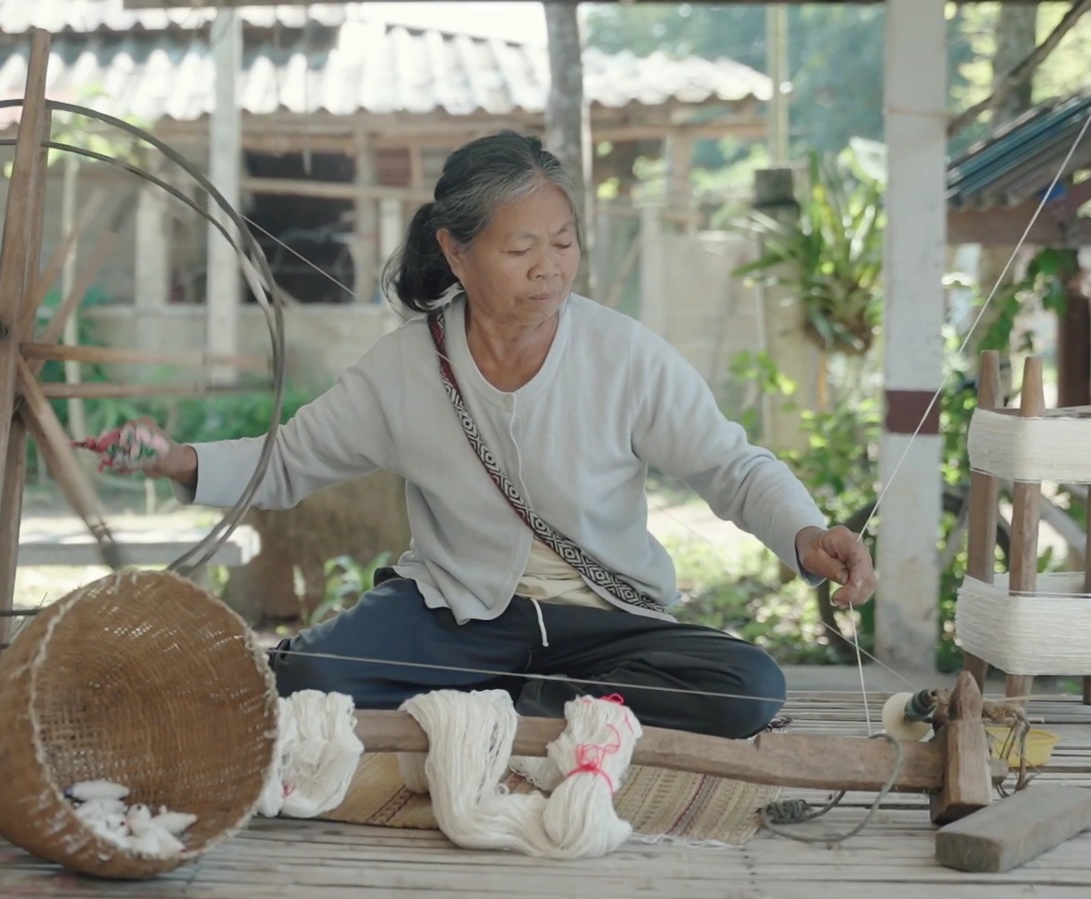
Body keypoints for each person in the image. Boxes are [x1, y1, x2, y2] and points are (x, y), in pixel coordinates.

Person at [98, 130, 876, 741]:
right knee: (310, 676)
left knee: (749, 686)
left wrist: (804, 532)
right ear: (455, 252)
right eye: (520, 248)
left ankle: (497, 709)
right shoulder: (407, 366)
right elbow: (292, 458)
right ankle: (527, 711)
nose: (550, 268)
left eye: (563, 241)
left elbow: (731, 466)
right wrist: (176, 458)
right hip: (451, 616)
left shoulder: (623, 354)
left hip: (603, 627)